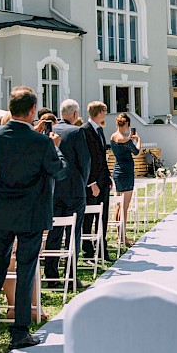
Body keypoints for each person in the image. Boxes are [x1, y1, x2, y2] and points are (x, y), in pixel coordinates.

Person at [0, 87, 68, 350]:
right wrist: (57, 149)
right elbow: (60, 172)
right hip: (31, 214)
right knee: (26, 268)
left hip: (0, 211)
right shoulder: (42, 142)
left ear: (10, 109)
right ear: (33, 111)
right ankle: (19, 331)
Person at [45, 99, 91, 278]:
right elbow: (85, 161)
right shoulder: (77, 131)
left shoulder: (51, 131)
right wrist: (83, 182)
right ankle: (70, 274)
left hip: (54, 189)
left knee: (54, 233)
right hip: (74, 190)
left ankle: (50, 273)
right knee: (73, 233)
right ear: (74, 114)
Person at [80, 101, 111, 258]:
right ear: (99, 113)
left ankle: (101, 248)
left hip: (103, 180)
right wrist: (91, 182)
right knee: (89, 217)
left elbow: (102, 158)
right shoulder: (85, 130)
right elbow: (86, 159)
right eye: (104, 112)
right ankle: (87, 250)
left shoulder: (100, 130)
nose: (105, 115)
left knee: (103, 216)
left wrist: (108, 178)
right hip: (92, 183)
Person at [109, 113, 141, 247]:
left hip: (117, 171)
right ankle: (123, 237)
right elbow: (136, 152)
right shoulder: (125, 140)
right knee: (125, 206)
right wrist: (138, 139)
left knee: (118, 205)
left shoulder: (113, 136)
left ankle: (119, 234)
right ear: (127, 124)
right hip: (126, 173)